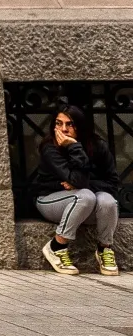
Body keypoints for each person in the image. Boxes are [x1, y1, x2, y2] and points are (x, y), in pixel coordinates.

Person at [34, 104, 121, 276]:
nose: (63, 129)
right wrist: (73, 147)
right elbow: (77, 180)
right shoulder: (50, 148)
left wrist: (85, 185)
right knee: (86, 196)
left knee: (107, 200)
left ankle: (104, 249)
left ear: (80, 126)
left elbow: (112, 184)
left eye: (70, 124)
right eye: (58, 123)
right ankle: (56, 246)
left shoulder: (98, 146)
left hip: (84, 203)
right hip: (50, 201)